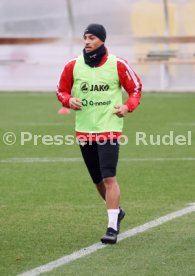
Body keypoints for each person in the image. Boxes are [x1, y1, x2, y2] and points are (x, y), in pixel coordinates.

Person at [57, 23, 142, 244]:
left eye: (92, 37)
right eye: (85, 37)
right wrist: (68, 100)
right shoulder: (72, 65)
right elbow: (61, 90)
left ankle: (112, 227)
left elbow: (135, 88)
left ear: (102, 40)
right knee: (97, 180)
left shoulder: (118, 64)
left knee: (108, 176)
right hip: (84, 130)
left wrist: (127, 107)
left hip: (110, 128)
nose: (87, 41)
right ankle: (117, 211)